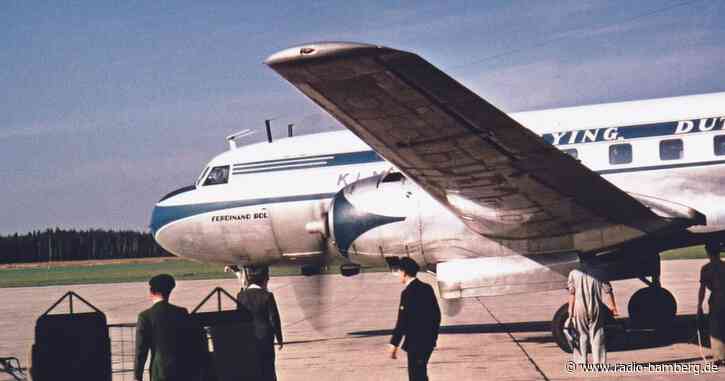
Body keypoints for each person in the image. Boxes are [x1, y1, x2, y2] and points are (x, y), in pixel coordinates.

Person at [388, 257, 442, 381]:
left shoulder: (407, 293)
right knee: (420, 374)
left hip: (416, 343)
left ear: (404, 272)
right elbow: (437, 316)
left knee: (416, 376)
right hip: (428, 341)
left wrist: (394, 344)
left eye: (399, 271)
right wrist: (433, 337)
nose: (398, 275)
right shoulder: (427, 288)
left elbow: (402, 321)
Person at [135, 274, 196, 381]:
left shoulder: (145, 316)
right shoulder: (182, 313)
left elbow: (141, 350)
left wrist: (137, 376)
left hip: (160, 372)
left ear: (151, 292)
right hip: (183, 370)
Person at [237, 266, 283, 381]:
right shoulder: (267, 295)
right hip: (265, 337)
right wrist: (279, 338)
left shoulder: (240, 296)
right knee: (268, 366)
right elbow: (274, 318)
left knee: (252, 367)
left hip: (247, 337)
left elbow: (238, 318)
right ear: (264, 280)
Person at [566, 268, 618, 365]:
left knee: (581, 335)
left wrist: (570, 311)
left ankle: (582, 361)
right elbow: (608, 290)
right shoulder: (600, 271)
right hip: (596, 306)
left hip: (579, 306)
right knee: (597, 334)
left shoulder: (573, 273)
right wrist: (613, 306)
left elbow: (571, 293)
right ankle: (598, 363)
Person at [697, 242, 725, 365]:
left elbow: (702, 289)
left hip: (716, 300)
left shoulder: (706, 269)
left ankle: (719, 357)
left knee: (716, 329)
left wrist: (699, 306)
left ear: (707, 252)